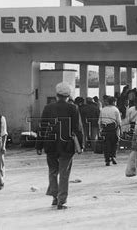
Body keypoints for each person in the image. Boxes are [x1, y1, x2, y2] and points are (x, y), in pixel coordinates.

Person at [35, 82, 84, 210]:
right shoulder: (73, 108)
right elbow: (77, 128)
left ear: (56, 95)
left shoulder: (48, 108)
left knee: (52, 172)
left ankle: (54, 197)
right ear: (68, 96)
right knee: (64, 173)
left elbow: (42, 127)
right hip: (67, 145)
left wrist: (38, 145)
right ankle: (61, 201)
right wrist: (81, 145)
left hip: (50, 144)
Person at [99, 96, 122, 166]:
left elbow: (100, 120)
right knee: (114, 143)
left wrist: (100, 129)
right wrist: (120, 129)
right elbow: (118, 121)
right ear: (113, 102)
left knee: (106, 144)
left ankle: (107, 160)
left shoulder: (103, 109)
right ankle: (113, 156)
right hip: (114, 128)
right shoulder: (115, 110)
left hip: (105, 128)